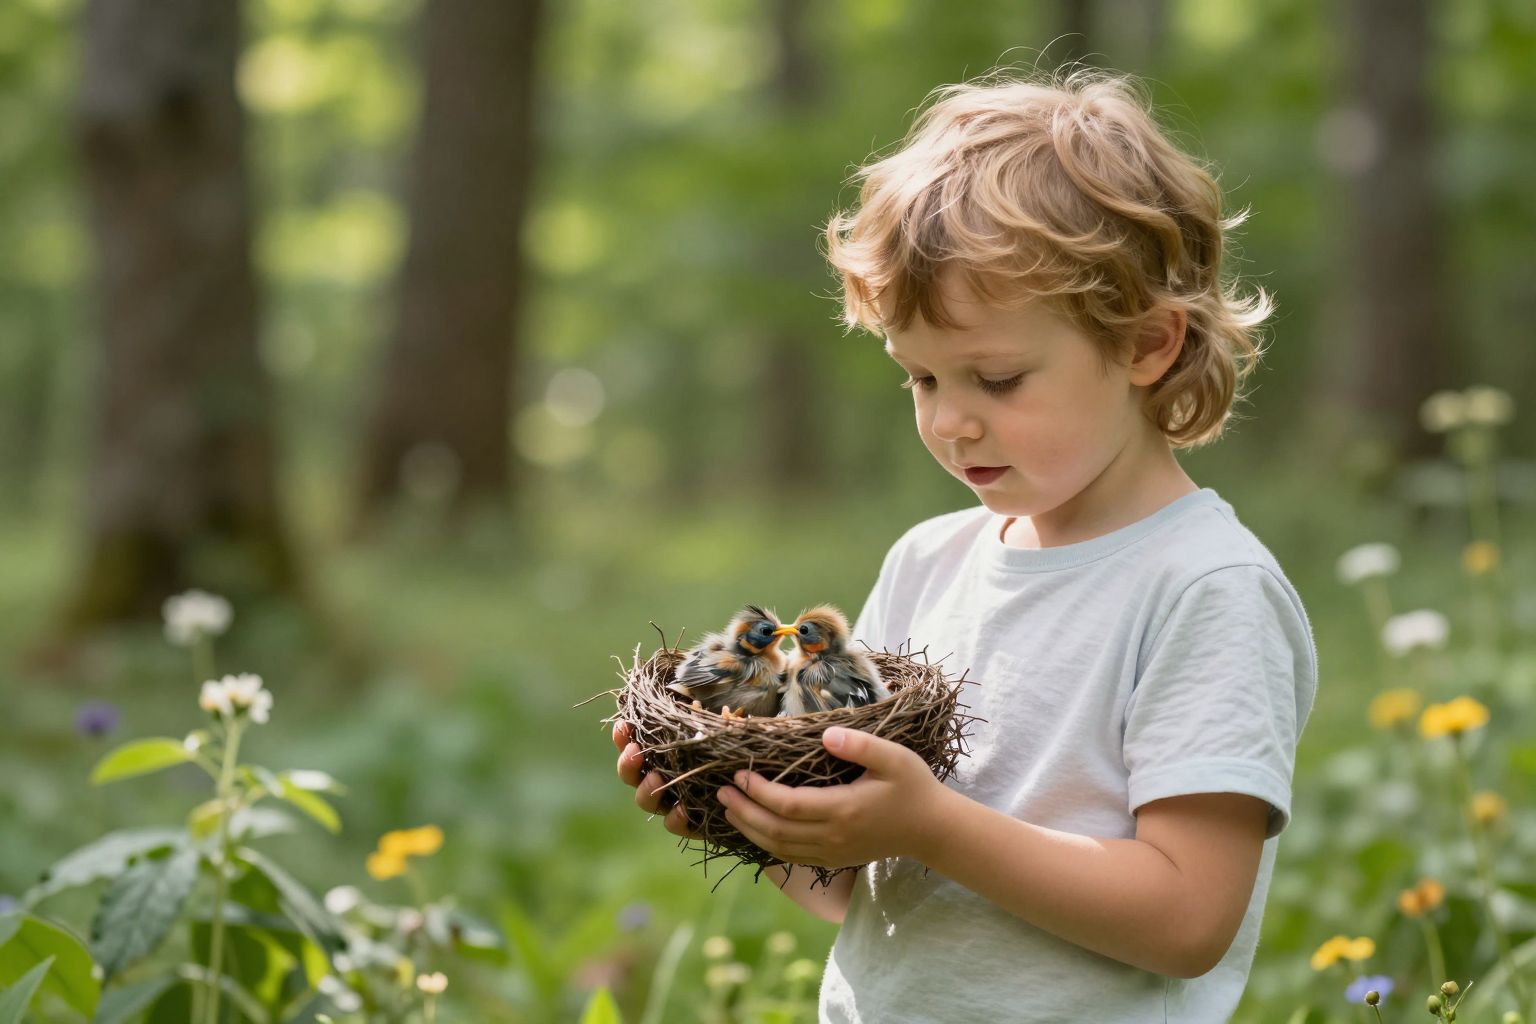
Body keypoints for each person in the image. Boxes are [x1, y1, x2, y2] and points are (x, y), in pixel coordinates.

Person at [614, 64, 1317, 1022]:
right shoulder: (928, 561)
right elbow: (861, 888)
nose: (951, 423)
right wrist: (744, 804)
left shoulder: (1203, 588)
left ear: (1149, 345)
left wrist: (934, 825)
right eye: (921, 379)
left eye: (996, 378)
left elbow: (1189, 916)